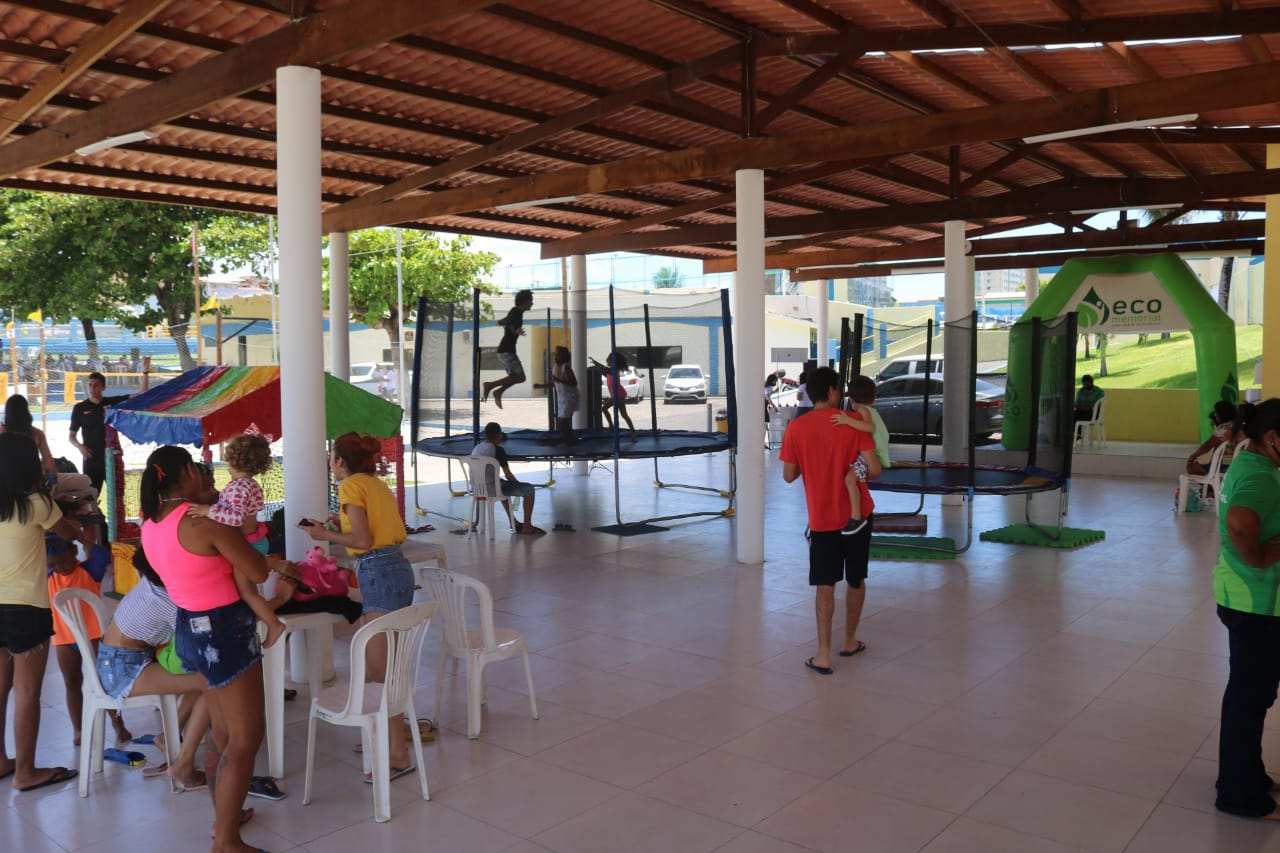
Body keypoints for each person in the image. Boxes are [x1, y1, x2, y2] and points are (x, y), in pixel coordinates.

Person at [140, 444, 276, 852]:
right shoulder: (204, 522)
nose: (204, 474)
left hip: (189, 628)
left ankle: (224, 819)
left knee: (222, 732)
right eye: (197, 468)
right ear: (186, 472)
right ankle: (227, 840)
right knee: (245, 739)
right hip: (223, 630)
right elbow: (257, 570)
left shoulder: (151, 523)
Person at [299, 432, 419, 782]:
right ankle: (388, 733)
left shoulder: (350, 485)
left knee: (382, 672)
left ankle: (398, 755)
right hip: (396, 567)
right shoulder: (374, 484)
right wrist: (342, 525)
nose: (329, 463)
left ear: (339, 461)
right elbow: (377, 529)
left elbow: (363, 540)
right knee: (385, 664)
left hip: (377, 570)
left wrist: (325, 536)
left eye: (331, 456)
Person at [0, 432, 94, 792]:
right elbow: (67, 533)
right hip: (25, 606)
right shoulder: (36, 504)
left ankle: (1, 760)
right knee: (27, 691)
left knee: (1, 688)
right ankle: (25, 772)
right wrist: (81, 528)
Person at [780, 367, 880, 676]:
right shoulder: (853, 423)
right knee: (855, 578)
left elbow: (788, 475)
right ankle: (849, 640)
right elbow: (874, 469)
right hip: (857, 517)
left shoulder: (796, 428)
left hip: (821, 518)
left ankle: (823, 653)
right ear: (832, 391)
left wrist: (812, 461)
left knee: (825, 584)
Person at [1212, 399, 1280, 820]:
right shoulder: (1260, 475)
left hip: (1249, 601)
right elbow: (1239, 522)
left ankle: (1249, 778)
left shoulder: (1255, 463)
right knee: (1249, 698)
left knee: (1251, 694)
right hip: (1255, 604)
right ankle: (1240, 795)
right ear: (1273, 438)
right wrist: (1261, 556)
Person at [96, 546, 211, 792]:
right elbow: (198, 636)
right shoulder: (170, 601)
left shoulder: (151, 583)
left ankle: (168, 738)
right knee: (212, 682)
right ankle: (184, 765)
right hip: (123, 669)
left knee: (202, 676)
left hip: (116, 659)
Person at [186, 434, 285, 648]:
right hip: (255, 539)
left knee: (246, 592)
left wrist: (208, 511)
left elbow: (236, 518)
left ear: (233, 460)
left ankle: (274, 624)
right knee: (250, 590)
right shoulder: (250, 485)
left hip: (247, 544)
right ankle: (265, 620)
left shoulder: (238, 487)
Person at [46, 536, 132, 747]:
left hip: (93, 635)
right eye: (54, 565)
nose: (60, 568)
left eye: (64, 561)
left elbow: (102, 553)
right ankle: (79, 730)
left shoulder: (90, 569)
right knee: (71, 683)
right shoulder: (48, 575)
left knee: (102, 682)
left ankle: (118, 725)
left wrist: (77, 535)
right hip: (63, 639)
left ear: (74, 552)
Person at [70, 365, 149, 494]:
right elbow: (71, 436)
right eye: (90, 385)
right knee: (90, 496)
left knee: (117, 496)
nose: (92, 389)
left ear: (103, 387)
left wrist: (145, 371)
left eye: (96, 385)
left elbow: (142, 395)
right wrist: (80, 447)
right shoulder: (80, 408)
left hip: (112, 458)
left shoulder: (112, 403)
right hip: (92, 460)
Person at [471, 421, 545, 535]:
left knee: (501, 485)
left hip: (476, 488)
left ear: (485, 434)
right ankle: (527, 526)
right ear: (499, 435)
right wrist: (518, 485)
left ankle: (513, 522)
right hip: (491, 489)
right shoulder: (498, 450)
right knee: (529, 490)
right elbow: (508, 474)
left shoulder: (477, 448)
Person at [482, 288, 533, 409]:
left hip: (506, 350)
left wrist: (503, 323)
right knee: (520, 377)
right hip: (506, 350)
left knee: (514, 378)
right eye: (530, 301)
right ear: (525, 302)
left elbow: (507, 321)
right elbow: (511, 323)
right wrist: (515, 329)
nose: (532, 303)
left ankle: (498, 391)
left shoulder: (515, 312)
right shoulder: (516, 312)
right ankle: (490, 385)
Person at [534, 346, 579, 446]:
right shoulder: (556, 367)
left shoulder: (566, 367)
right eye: (556, 353)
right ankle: (570, 440)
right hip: (563, 397)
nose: (555, 356)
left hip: (570, 397)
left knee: (563, 422)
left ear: (563, 356)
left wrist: (559, 380)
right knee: (562, 422)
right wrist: (541, 386)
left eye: (558, 354)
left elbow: (574, 382)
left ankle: (570, 442)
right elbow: (555, 383)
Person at [2, 395, 56, 476]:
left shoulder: (2, 433)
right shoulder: (37, 434)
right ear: (26, 412)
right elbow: (50, 465)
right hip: (30, 481)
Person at [592, 352, 637, 441]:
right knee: (623, 414)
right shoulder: (611, 371)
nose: (606, 360)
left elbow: (605, 370)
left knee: (605, 409)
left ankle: (612, 427)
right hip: (617, 394)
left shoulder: (614, 370)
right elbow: (605, 372)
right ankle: (632, 431)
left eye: (608, 359)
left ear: (613, 361)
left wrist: (596, 364)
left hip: (618, 395)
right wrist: (597, 367)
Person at [1187, 400, 1239, 475]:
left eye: (1216, 411)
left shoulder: (1224, 428)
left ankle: (1210, 482)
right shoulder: (1238, 425)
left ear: (1223, 413)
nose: (1214, 414)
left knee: (1191, 468)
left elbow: (1208, 446)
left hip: (1226, 463)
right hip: (1237, 461)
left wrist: (1193, 456)